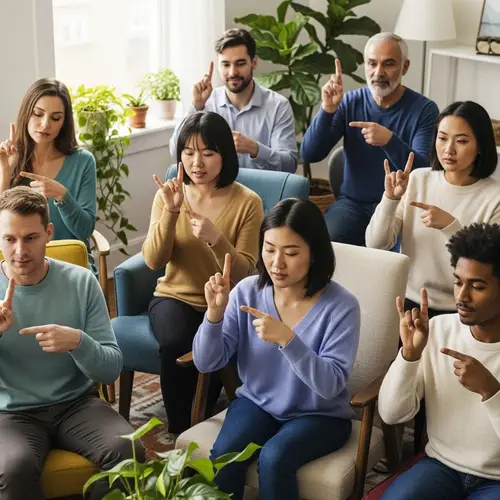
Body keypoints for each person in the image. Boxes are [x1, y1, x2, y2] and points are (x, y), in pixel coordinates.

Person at [193, 198, 360, 500]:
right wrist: (213, 317)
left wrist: (288, 340)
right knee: (225, 453)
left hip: (321, 415)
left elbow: (331, 385)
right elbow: (206, 362)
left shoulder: (342, 306)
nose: (276, 263)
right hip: (257, 403)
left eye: (291, 253)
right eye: (269, 250)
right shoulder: (246, 292)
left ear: (315, 253)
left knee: (274, 458)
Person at [0, 186, 144, 500]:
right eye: (10, 239)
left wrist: (79, 342)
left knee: (129, 449)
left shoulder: (81, 281)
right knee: (14, 468)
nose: (20, 251)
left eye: (31, 238)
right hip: (10, 414)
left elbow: (110, 370)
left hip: (76, 404)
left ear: (48, 233)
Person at [144, 111, 264, 435]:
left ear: (225, 154)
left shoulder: (248, 202)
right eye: (189, 153)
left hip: (227, 302)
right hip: (175, 297)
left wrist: (216, 238)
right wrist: (170, 212)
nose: (197, 162)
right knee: (176, 339)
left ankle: (206, 413)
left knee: (219, 340)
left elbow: (248, 273)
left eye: (208, 153)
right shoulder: (168, 195)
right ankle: (180, 428)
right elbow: (153, 260)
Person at [379, 222, 500, 499]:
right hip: (440, 466)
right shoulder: (438, 330)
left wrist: (491, 391)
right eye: (458, 282)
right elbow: (392, 414)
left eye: (477, 286)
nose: (461, 296)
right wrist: (409, 357)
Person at [301, 33, 439, 245]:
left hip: (400, 207)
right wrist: (327, 110)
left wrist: (389, 141)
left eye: (388, 64)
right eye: (372, 63)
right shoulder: (349, 102)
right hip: (353, 205)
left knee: (402, 260)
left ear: (405, 67)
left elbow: (423, 172)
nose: (378, 72)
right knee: (322, 245)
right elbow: (309, 153)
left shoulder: (425, 110)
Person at [366, 101, 500, 317]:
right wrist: (390, 199)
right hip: (410, 302)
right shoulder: (419, 179)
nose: (449, 150)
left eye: (462, 141)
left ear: (481, 146)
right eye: (442, 138)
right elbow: (376, 243)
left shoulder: (495, 197)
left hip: (463, 310)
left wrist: (451, 226)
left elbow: (488, 266)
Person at [0, 78, 97, 272]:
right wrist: (5, 174)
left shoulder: (83, 161)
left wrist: (63, 196)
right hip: (19, 267)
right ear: (27, 113)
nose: (45, 124)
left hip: (69, 266)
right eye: (38, 114)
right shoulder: (9, 157)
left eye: (56, 117)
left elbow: (85, 230)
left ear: (64, 122)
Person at [169, 28, 297, 173]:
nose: (232, 72)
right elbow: (175, 151)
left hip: (262, 192)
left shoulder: (278, 106)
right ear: (218, 65)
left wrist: (254, 148)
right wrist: (196, 107)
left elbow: (289, 165)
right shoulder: (207, 103)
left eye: (240, 63)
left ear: (254, 62)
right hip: (217, 192)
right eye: (226, 64)